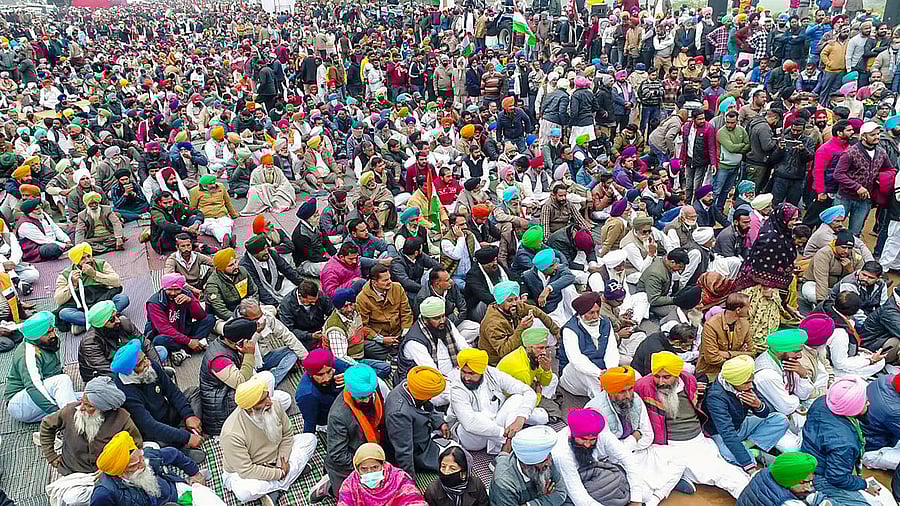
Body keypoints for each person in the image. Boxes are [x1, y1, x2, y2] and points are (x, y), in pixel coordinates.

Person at [633, 351, 751, 498]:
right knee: (718, 474)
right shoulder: (642, 386)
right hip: (670, 445)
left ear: (677, 375)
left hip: (699, 439)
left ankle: (753, 496)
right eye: (657, 376)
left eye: (666, 377)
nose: (661, 382)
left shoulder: (689, 380)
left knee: (728, 473)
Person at [587, 367, 690, 501]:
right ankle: (666, 485)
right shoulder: (594, 412)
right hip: (617, 462)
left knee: (681, 457)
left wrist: (627, 444)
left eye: (630, 389)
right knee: (644, 494)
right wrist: (633, 438)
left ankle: (656, 498)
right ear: (610, 391)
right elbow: (604, 454)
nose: (629, 395)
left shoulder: (635, 400)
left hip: (641, 452)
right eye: (622, 391)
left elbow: (648, 436)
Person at [40, 376, 139, 506]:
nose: (81, 408)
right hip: (74, 473)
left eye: (88, 406)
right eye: (82, 401)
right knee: (72, 499)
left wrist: (111, 467)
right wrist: (51, 456)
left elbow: (135, 446)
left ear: (104, 409)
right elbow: (46, 425)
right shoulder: (70, 412)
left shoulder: (122, 419)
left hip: (110, 475)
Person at [221, 376, 318, 506]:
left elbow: (287, 435)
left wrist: (281, 462)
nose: (269, 402)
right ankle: (292, 474)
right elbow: (246, 470)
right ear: (250, 408)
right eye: (262, 400)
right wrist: (280, 473)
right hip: (250, 470)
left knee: (310, 439)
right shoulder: (231, 433)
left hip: (278, 458)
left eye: (268, 396)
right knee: (244, 492)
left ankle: (275, 488)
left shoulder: (275, 405)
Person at [802, 377, 898, 506]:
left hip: (812, 457)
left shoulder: (823, 401)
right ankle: (817, 498)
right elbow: (836, 477)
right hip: (821, 476)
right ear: (853, 407)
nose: (869, 403)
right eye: (865, 402)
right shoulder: (845, 442)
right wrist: (863, 484)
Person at [110, 340, 205, 463]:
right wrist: (186, 438)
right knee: (153, 448)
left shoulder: (151, 366)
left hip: (167, 413)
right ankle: (181, 445)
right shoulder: (125, 391)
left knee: (193, 392)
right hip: (153, 431)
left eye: (145, 358)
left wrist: (189, 415)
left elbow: (172, 391)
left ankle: (186, 431)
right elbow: (150, 426)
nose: (147, 364)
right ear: (130, 372)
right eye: (140, 364)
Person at [199, 318, 292, 435]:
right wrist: (249, 355)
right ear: (240, 341)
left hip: (231, 393)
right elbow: (241, 383)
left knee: (285, 399)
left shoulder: (227, 343)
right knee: (267, 378)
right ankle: (262, 420)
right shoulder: (219, 360)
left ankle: (262, 408)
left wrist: (257, 329)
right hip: (223, 408)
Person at [703, 355, 794, 472]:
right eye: (746, 383)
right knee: (730, 457)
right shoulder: (716, 397)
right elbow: (727, 433)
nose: (751, 386)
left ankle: (747, 446)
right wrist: (748, 464)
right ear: (734, 382)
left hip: (741, 425)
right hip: (720, 434)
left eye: (751, 382)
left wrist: (758, 404)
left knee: (780, 420)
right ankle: (751, 453)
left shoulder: (746, 381)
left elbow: (764, 413)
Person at [449, 348, 545, 454]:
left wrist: (520, 418)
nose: (466, 377)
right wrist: (503, 432)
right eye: (464, 372)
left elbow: (527, 391)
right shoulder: (457, 388)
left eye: (472, 373)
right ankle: (510, 443)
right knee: (480, 417)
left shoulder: (492, 373)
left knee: (518, 398)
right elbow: (469, 424)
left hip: (497, 424)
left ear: (482, 371)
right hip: (472, 438)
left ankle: (507, 444)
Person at [552, 408, 655, 506]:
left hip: (601, 471)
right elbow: (578, 496)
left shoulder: (602, 434)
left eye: (592, 440)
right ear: (572, 435)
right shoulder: (561, 454)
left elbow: (628, 460)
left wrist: (636, 500)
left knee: (644, 494)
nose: (588, 444)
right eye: (583, 439)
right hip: (580, 481)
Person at [316, 364, 388, 502]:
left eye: (368, 395)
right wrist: (367, 467)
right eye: (361, 398)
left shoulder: (373, 388)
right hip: (351, 462)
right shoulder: (338, 415)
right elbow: (338, 454)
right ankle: (330, 487)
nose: (366, 400)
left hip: (374, 451)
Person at [91, 431, 207, 506]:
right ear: (119, 472)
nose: (142, 464)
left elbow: (173, 453)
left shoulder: (146, 458)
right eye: (134, 465)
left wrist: (195, 473)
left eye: (141, 457)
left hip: (176, 493)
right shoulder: (104, 493)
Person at [397, 297, 470, 404]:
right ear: (425, 319)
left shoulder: (446, 323)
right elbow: (432, 372)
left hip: (453, 371)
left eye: (443, 316)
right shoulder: (414, 341)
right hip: (429, 381)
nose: (442, 321)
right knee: (457, 397)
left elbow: (464, 348)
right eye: (436, 318)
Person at [385, 366, 447, 481]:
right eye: (430, 396)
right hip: (418, 452)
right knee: (461, 461)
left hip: (426, 436)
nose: (431, 398)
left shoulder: (410, 386)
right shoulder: (399, 413)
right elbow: (404, 451)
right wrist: (410, 481)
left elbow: (427, 406)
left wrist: (439, 423)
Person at [479, 280, 560, 366]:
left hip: (514, 343)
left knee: (537, 321)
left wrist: (556, 331)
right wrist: (521, 328)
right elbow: (504, 351)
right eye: (510, 300)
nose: (514, 303)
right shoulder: (493, 323)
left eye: (516, 299)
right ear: (500, 302)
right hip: (498, 361)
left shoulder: (515, 306)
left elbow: (537, 312)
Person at [54, 242, 129, 333]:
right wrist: (73, 284)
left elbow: (117, 282)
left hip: (101, 300)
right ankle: (104, 321)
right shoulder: (66, 274)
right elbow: (59, 300)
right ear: (76, 261)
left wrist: (94, 274)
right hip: (80, 305)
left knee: (123, 299)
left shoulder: (101, 264)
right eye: (82, 258)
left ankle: (85, 324)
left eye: (89, 256)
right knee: (64, 313)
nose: (88, 260)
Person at [79, 300, 160, 383]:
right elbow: (107, 370)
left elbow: (145, 343)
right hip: (104, 375)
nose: (117, 320)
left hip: (126, 359)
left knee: (160, 351)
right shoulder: (90, 343)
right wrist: (135, 377)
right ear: (101, 325)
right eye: (112, 319)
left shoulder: (123, 322)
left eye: (116, 315)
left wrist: (159, 370)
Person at [558, 292, 620, 398]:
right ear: (582, 313)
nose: (595, 316)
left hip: (603, 371)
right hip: (574, 376)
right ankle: (603, 404)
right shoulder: (570, 329)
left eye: (597, 312)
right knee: (589, 376)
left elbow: (611, 349)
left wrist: (610, 371)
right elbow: (576, 360)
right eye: (591, 313)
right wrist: (598, 373)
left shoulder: (605, 322)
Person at [834, 122, 890, 236]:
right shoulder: (850, 152)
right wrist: (857, 187)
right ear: (863, 136)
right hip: (845, 197)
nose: (877, 137)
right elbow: (838, 174)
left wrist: (881, 179)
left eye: (878, 134)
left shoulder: (881, 153)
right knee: (834, 228)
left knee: (855, 232)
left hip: (865, 200)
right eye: (873, 135)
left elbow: (889, 169)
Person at [145, 273, 215, 366]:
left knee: (210, 319)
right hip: (167, 335)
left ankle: (182, 351)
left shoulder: (187, 294)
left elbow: (201, 316)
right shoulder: (155, 302)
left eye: (177, 289)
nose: (173, 293)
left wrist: (190, 302)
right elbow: (164, 329)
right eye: (170, 289)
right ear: (164, 288)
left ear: (181, 288)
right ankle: (195, 345)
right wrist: (189, 341)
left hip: (185, 329)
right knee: (159, 340)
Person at [489, 425, 568, 505]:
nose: (550, 463)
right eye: (544, 461)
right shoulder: (504, 483)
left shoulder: (545, 461)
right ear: (527, 465)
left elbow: (561, 493)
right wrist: (545, 498)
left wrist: (531, 504)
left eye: (549, 457)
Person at [237, 297, 309, 385]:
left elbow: (287, 335)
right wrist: (257, 332)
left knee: (293, 352)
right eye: (256, 319)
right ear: (245, 318)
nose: (260, 320)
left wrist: (306, 359)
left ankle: (272, 381)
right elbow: (245, 350)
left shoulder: (266, 317)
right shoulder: (236, 327)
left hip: (265, 357)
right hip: (248, 365)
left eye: (261, 316)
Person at [498, 327, 561, 421]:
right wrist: (538, 394)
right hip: (509, 402)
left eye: (545, 348)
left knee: (554, 378)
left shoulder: (530, 355)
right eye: (540, 348)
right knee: (542, 417)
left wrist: (547, 369)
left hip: (529, 386)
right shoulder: (521, 370)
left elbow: (545, 382)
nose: (544, 352)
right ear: (529, 347)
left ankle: (544, 402)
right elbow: (524, 400)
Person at [354, 264, 413, 360]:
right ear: (374, 283)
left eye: (389, 278)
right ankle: (393, 357)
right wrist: (381, 339)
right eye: (385, 280)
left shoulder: (397, 288)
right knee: (366, 347)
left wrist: (405, 331)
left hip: (400, 334)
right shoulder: (362, 298)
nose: (389, 282)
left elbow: (406, 312)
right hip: (379, 339)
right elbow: (362, 326)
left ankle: (398, 353)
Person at [336, 443, 426, 506]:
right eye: (364, 469)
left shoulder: (399, 479)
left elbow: (414, 500)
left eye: (375, 467)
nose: (370, 472)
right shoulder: (350, 485)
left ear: (383, 465)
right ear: (357, 469)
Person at [696, 293, 754, 379]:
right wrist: (739, 354)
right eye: (748, 307)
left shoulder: (745, 324)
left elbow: (751, 353)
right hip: (711, 372)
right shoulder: (711, 325)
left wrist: (727, 354)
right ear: (738, 310)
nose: (750, 309)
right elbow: (712, 358)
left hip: (736, 371)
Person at [295, 349, 351, 434]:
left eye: (329, 372)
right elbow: (310, 422)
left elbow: (354, 369)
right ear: (311, 374)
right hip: (329, 420)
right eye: (320, 375)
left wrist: (351, 376)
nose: (327, 378)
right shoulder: (307, 395)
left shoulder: (331, 363)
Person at [240, 234, 304, 306]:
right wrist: (275, 305)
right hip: (263, 295)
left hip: (280, 285)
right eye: (262, 250)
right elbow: (258, 288)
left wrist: (303, 284)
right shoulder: (246, 265)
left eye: (266, 248)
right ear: (254, 254)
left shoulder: (270, 252)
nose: (266, 252)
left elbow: (286, 268)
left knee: (298, 295)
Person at [735, 452, 820, 506]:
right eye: (804, 482)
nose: (807, 487)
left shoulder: (765, 472)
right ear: (789, 479)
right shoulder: (789, 503)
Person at [423, 444, 490, 506]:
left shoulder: (477, 485)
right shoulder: (432, 492)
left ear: (463, 473)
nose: (446, 472)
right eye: (443, 466)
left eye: (452, 468)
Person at [205, 248, 258, 325]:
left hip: (246, 309)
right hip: (225, 317)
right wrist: (240, 318)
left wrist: (253, 309)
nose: (236, 266)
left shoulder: (242, 270)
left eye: (236, 262)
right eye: (231, 265)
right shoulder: (213, 283)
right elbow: (221, 310)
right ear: (221, 269)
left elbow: (254, 292)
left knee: (271, 310)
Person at [803, 204, 873, 262]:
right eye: (837, 221)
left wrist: (870, 261)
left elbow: (860, 244)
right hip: (812, 263)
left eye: (841, 221)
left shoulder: (839, 229)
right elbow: (844, 251)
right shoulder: (822, 234)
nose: (840, 224)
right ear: (829, 221)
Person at [635, 248, 690, 319]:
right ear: (672, 262)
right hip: (649, 302)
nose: (680, 270)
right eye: (680, 267)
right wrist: (675, 300)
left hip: (664, 295)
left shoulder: (668, 266)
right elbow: (654, 299)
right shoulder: (656, 274)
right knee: (679, 311)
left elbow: (678, 284)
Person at [464, 246, 511, 321]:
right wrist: (506, 302)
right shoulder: (473, 275)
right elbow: (484, 296)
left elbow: (513, 277)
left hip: (503, 301)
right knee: (489, 304)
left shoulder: (499, 266)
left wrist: (523, 294)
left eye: (495, 260)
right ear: (483, 264)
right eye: (491, 262)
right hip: (478, 307)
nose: (495, 263)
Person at [189, 175, 239, 247]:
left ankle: (226, 240)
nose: (213, 185)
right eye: (210, 184)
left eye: (214, 183)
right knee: (213, 227)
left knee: (226, 225)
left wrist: (233, 214)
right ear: (204, 185)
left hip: (221, 215)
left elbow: (227, 201)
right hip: (206, 218)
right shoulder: (194, 191)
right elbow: (193, 208)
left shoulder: (221, 187)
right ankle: (225, 240)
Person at [392, 236, 442, 305]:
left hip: (419, 284)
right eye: (421, 248)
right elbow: (406, 282)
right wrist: (425, 289)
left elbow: (437, 266)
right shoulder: (397, 263)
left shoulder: (420, 256)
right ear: (415, 252)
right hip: (405, 291)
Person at [291, 198, 334, 276]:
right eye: (316, 214)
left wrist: (334, 255)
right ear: (309, 218)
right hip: (306, 262)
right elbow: (312, 256)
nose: (319, 215)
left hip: (320, 254)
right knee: (331, 268)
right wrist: (330, 260)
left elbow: (326, 241)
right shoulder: (300, 235)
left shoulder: (316, 223)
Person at [163, 234, 214, 298]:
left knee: (215, 268)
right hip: (182, 287)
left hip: (197, 283)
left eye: (188, 245)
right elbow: (169, 277)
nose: (186, 249)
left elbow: (214, 263)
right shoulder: (172, 259)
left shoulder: (197, 256)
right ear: (177, 247)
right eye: (183, 246)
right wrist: (193, 290)